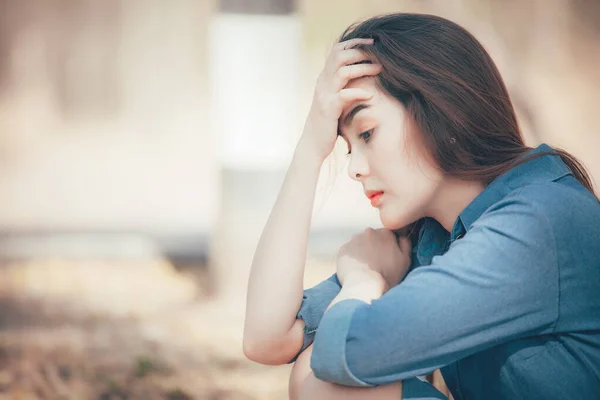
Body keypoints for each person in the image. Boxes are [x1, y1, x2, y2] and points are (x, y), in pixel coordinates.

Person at [242, 12, 600, 400]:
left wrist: (364, 282)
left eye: (367, 133)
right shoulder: (432, 237)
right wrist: (311, 146)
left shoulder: (536, 223)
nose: (354, 169)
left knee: (323, 380)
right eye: (346, 146)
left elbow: (344, 352)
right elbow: (266, 339)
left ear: (441, 111)